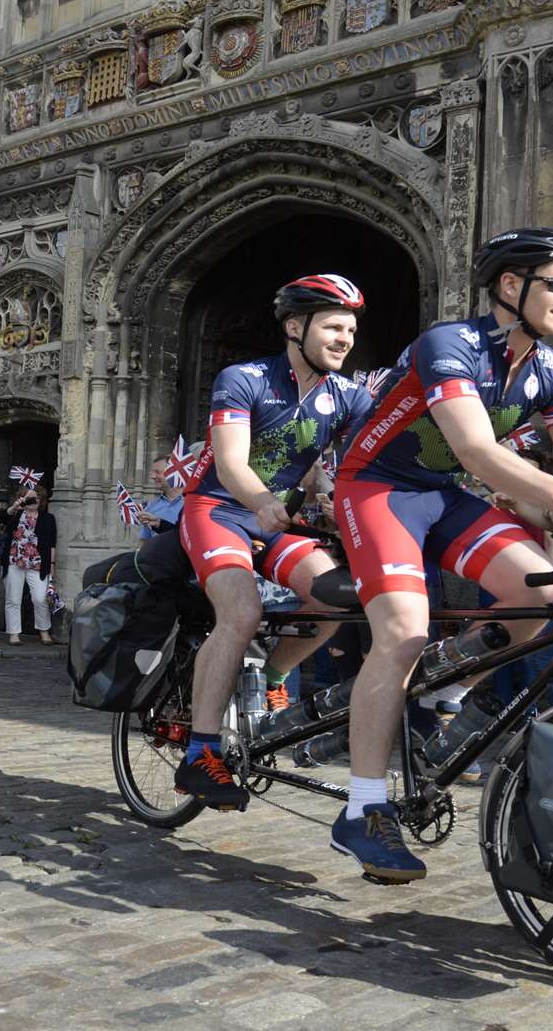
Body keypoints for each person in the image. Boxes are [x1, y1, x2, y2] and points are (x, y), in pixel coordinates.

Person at [327, 228, 553, 883]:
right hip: (377, 488)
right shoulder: (450, 345)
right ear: (512, 285)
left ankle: (448, 684)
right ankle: (363, 809)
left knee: (542, 595)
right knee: (403, 632)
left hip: (442, 496)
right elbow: (478, 452)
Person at [171, 274, 376, 810]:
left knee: (335, 597)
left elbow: (344, 470)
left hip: (280, 519)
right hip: (219, 509)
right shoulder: (245, 378)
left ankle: (274, 676)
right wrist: (264, 501)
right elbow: (232, 461)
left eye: (351, 330)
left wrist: (335, 498)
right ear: (294, 326)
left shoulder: (349, 397)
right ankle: (201, 752)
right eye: (333, 327)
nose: (344, 339)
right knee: (241, 613)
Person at [0, 484, 57, 645]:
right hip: (14, 561)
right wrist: (17, 505)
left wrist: (51, 565)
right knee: (13, 599)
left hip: (38, 563)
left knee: (40, 598)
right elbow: (0, 517)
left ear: (42, 500)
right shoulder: (15, 515)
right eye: (30, 497)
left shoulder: (48, 518)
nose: (34, 500)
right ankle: (14, 633)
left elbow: (52, 544)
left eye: (37, 498)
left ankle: (44, 631)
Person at [138, 455, 185, 539]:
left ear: (174, 471)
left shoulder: (192, 502)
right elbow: (144, 541)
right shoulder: (151, 506)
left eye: (157, 472)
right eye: (152, 472)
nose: (152, 476)